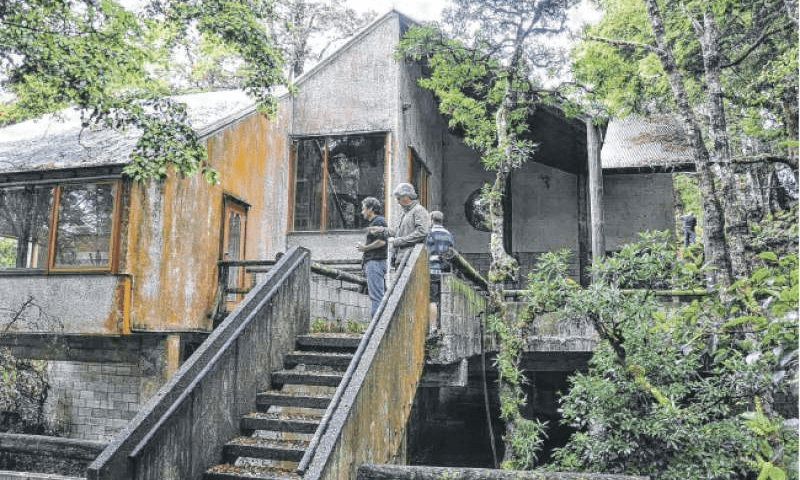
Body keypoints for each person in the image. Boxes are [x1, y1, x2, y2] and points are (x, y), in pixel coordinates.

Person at [368, 183, 430, 266]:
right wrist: (381, 230)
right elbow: (398, 232)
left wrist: (397, 241)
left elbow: (422, 233)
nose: (397, 201)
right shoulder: (406, 212)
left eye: (398, 198)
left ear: (406, 197)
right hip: (403, 258)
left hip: (412, 259)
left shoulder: (418, 211)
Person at [356, 197, 387, 318]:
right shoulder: (376, 222)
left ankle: (376, 327)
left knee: (376, 296)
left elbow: (382, 242)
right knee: (378, 295)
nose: (362, 212)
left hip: (375, 262)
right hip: (374, 262)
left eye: (363, 209)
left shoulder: (378, 222)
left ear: (370, 209)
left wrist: (365, 248)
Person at [425, 211, 454, 332]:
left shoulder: (430, 234)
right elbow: (451, 251)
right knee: (444, 298)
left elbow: (426, 251)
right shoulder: (448, 234)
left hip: (433, 269)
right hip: (446, 270)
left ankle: (433, 327)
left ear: (431, 220)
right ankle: (445, 326)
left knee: (432, 299)